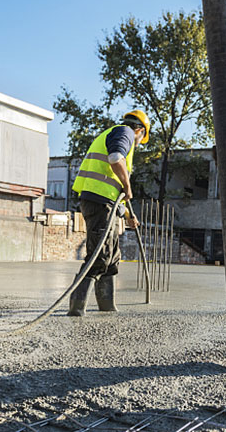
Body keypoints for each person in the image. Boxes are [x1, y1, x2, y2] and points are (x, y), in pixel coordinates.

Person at [66, 110, 149, 316]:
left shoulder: (116, 133)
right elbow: (115, 158)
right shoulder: (125, 132)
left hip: (106, 202)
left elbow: (115, 188)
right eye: (141, 139)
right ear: (140, 130)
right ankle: (76, 307)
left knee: (112, 257)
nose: (138, 143)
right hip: (98, 201)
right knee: (99, 255)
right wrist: (128, 185)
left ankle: (106, 305)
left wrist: (129, 215)